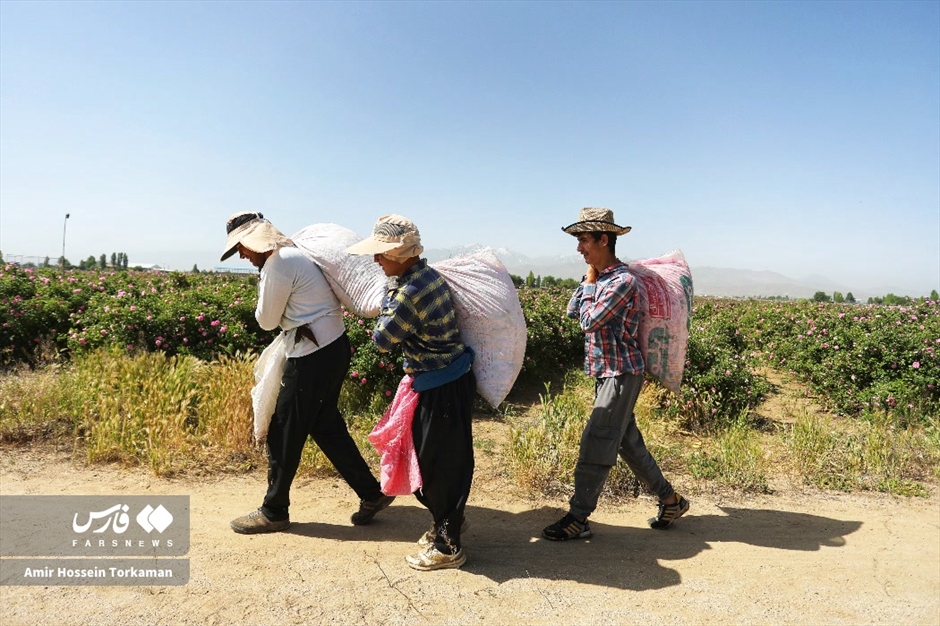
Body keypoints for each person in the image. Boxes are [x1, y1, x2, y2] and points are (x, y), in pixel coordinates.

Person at [220, 212, 394, 534]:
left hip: (311, 355)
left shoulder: (279, 263)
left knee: (283, 430)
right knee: (325, 425)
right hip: (332, 347)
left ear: (255, 242)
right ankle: (371, 493)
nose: (242, 255)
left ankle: (274, 511)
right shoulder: (293, 256)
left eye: (242, 248)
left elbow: (266, 321)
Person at [542, 207, 690, 541]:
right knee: (626, 442)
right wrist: (589, 282)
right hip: (605, 372)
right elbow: (570, 311)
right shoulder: (599, 278)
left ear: (603, 239)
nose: (579, 249)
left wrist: (590, 284)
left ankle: (578, 518)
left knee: (597, 442)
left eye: (583, 240)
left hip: (620, 372)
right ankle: (671, 500)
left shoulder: (623, 281)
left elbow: (587, 322)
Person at [346, 215, 475, 571]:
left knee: (437, 467)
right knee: (440, 461)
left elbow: (382, 339)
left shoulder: (409, 292)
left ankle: (448, 547)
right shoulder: (426, 277)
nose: (376, 260)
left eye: (381, 254)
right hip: (447, 381)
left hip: (438, 386)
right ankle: (448, 522)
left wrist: (387, 296)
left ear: (400, 254)